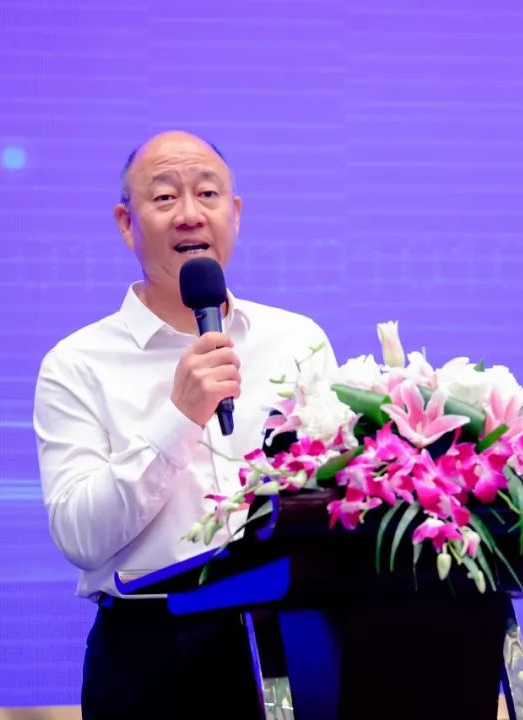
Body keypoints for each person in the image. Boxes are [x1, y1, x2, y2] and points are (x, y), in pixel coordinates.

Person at [33, 130, 337, 718]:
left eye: (208, 193)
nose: (191, 214)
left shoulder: (299, 341)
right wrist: (180, 416)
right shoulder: (76, 364)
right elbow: (80, 538)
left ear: (236, 213)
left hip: (294, 637)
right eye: (165, 197)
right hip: (153, 652)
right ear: (127, 223)